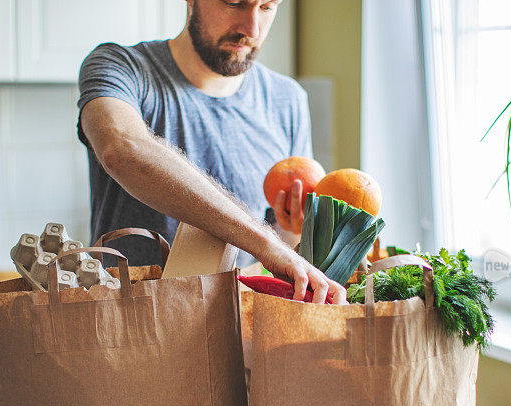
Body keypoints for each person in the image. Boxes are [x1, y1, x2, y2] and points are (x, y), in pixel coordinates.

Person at [76, 0, 345, 304]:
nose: (251, 29)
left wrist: (292, 233)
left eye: (267, 7)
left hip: (237, 328)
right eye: (234, 2)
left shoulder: (288, 99)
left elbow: (281, 245)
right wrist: (267, 245)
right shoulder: (121, 66)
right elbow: (121, 148)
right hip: (128, 326)